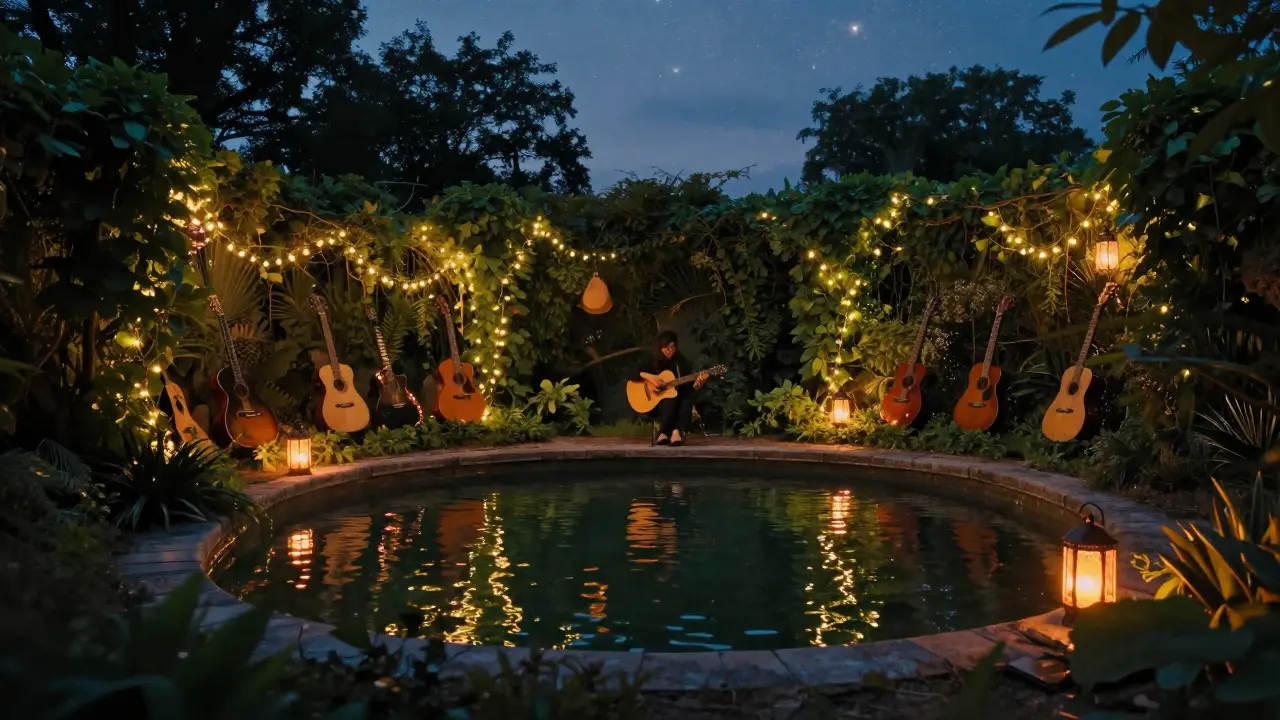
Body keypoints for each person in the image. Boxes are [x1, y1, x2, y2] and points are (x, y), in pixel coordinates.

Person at [635, 330, 707, 446]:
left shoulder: (680, 362)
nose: (670, 351)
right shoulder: (650, 360)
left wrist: (697, 386)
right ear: (660, 347)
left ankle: (677, 432)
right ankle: (663, 432)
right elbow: (632, 374)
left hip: (676, 401)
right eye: (666, 348)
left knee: (686, 399)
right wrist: (650, 377)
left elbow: (686, 389)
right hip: (654, 403)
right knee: (670, 400)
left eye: (672, 347)